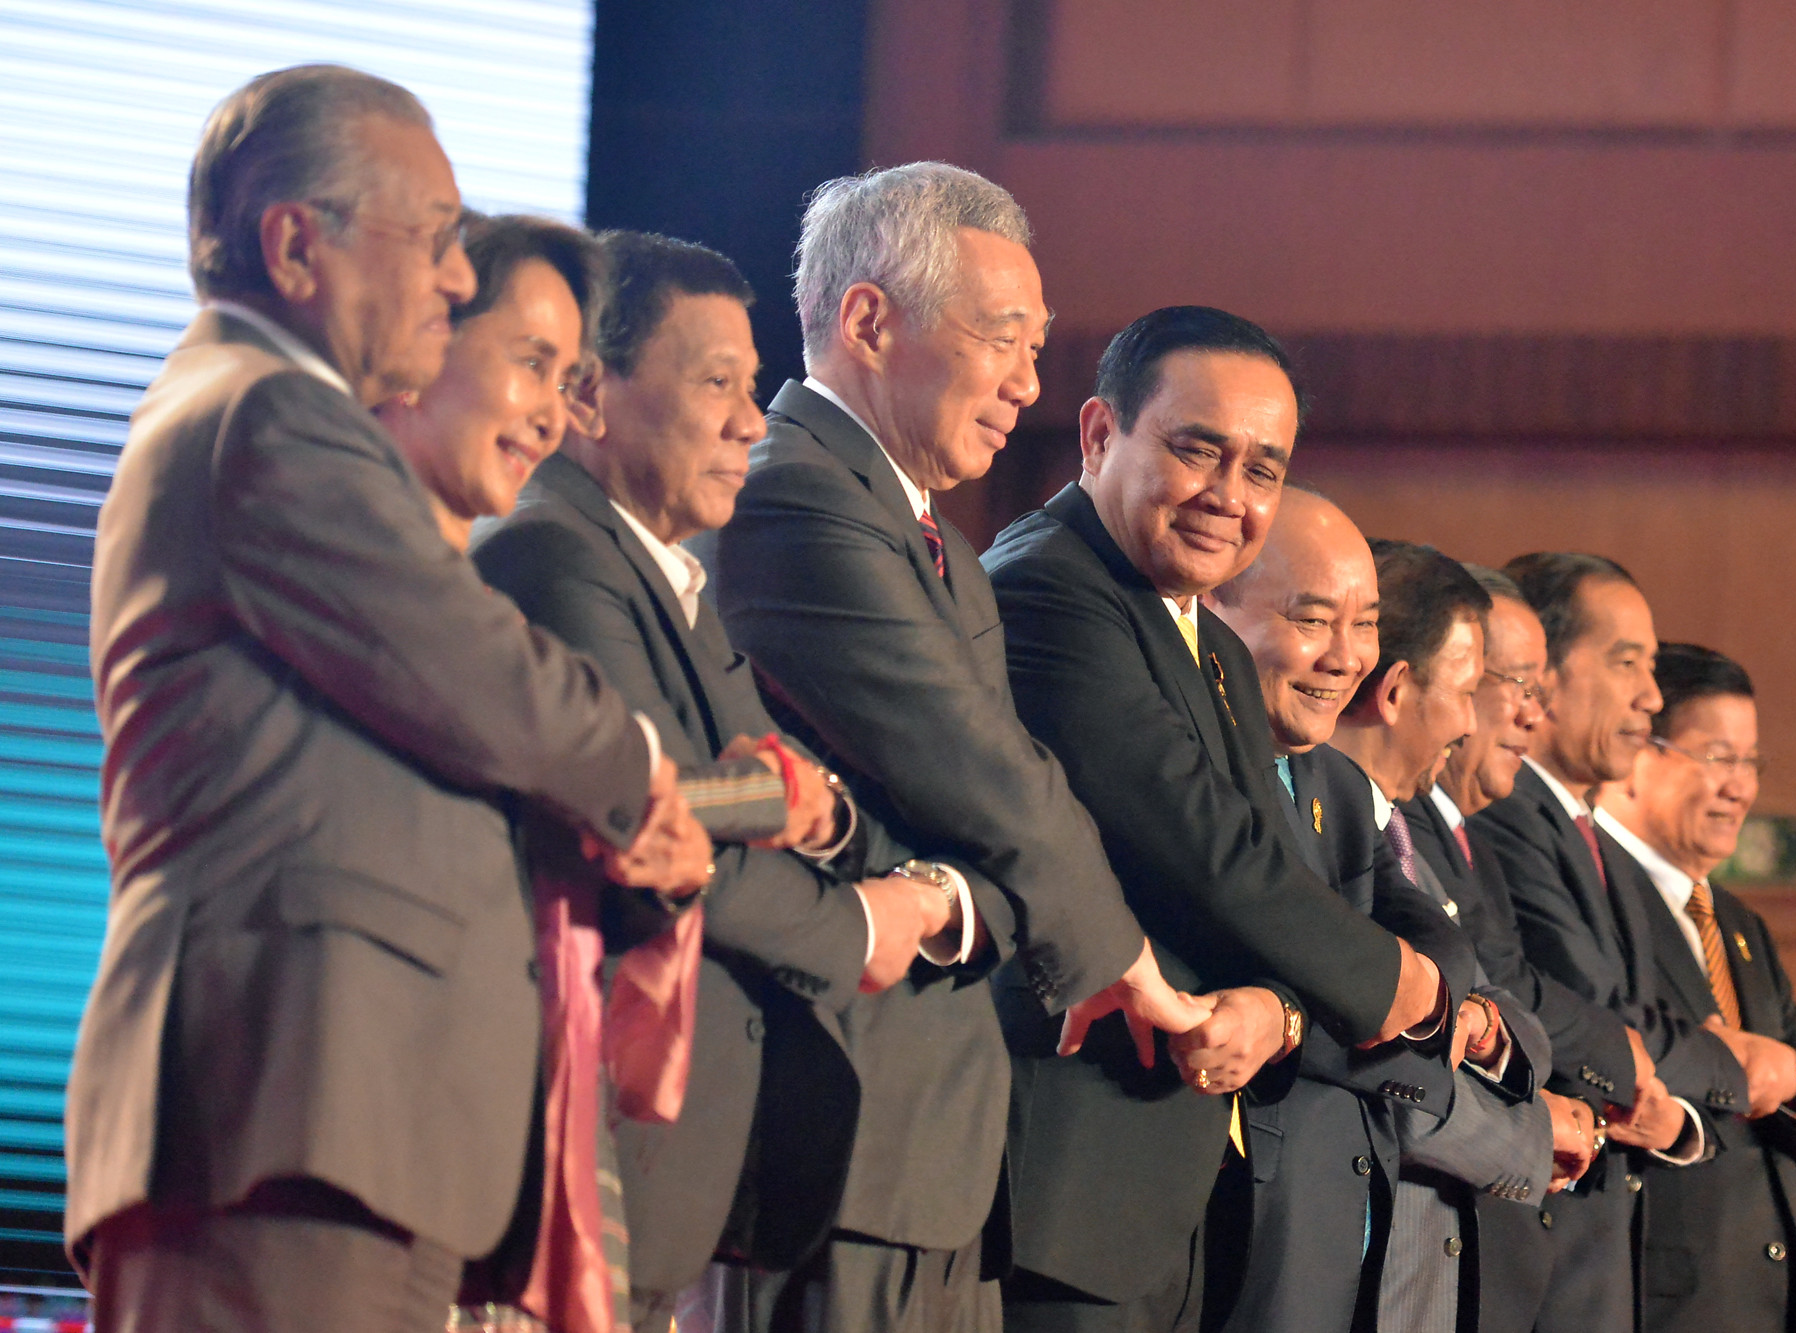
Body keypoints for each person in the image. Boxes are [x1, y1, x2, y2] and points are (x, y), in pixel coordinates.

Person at [70, 66, 708, 1333]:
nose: (456, 275)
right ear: (295, 242)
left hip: (356, 1134)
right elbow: (478, 671)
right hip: (281, 1117)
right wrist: (643, 775)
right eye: (427, 237)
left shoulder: (271, 416)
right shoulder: (266, 418)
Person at [706, 163, 1207, 1333]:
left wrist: (965, 887)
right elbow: (978, 770)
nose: (1026, 386)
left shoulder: (927, 532)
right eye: (1003, 341)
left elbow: (986, 788)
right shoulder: (789, 498)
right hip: (828, 1131)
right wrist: (1117, 955)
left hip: (931, 1145)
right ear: (868, 320)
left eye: (1038, 351)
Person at [471, 232, 964, 1330]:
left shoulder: (667, 574)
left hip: (657, 1163)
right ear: (590, 395)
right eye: (717, 385)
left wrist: (813, 808)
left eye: (753, 386)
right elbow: (668, 827)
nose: (752, 419)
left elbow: (786, 792)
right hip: (569, 1135)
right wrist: (861, 922)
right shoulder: (552, 556)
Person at [982, 306, 1457, 1331]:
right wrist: (1395, 987)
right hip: (1067, 1189)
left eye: (1262, 468)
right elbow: (1209, 854)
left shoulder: (1203, 638)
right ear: (1098, 434)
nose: (1229, 498)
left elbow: (1272, 871)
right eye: (1196, 451)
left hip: (1182, 1188)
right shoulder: (1044, 591)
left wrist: (1281, 1013)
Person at [1199, 493, 1488, 1333]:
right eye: (1313, 619)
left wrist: (1298, 1012)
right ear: (1211, 607)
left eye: (1364, 625)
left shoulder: (1338, 785)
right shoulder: (1192, 776)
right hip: (1238, 1235)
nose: (1346, 657)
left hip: (1348, 1239)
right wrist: (1397, 1010)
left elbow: (1443, 944)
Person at [1325, 539, 1599, 1333]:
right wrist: (1531, 1134)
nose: (1479, 717)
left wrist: (1477, 1024)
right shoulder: (1321, 830)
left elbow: (1521, 1026)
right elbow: (1382, 1072)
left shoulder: (1407, 839)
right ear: (1400, 686)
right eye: (1474, 688)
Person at [1472, 554, 1750, 1333]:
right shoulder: (1502, 815)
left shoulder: (1590, 834)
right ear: (1544, 675)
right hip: (1537, 1266)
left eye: (1652, 668)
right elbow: (1587, 1006)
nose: (1652, 698)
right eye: (1627, 663)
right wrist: (1733, 1065)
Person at [1595, 644, 1796, 1333]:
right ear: (1639, 752)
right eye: (1716, 757)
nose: (1740, 786)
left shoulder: (1738, 924)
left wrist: (1791, 1074)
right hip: (1654, 1299)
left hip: (1765, 1298)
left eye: (1749, 762)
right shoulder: (1592, 897)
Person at [1415, 564, 1643, 1333]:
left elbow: (1510, 1006)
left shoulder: (1468, 833)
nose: (1532, 712)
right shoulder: (1389, 824)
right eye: (1514, 681)